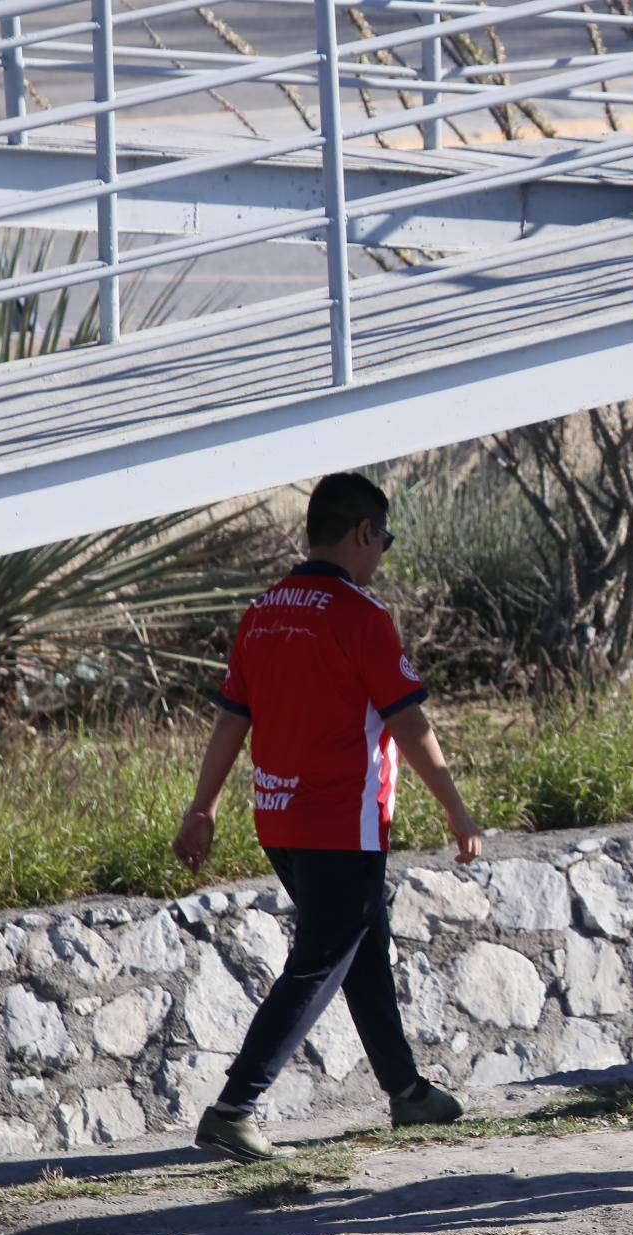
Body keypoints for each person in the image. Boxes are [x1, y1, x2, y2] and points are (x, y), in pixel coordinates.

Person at [172, 473, 483, 1164]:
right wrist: (457, 808)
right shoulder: (359, 616)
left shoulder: (264, 612)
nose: (381, 554)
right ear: (363, 533)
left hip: (278, 819)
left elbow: (231, 719)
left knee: (357, 948)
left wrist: (204, 807)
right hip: (343, 820)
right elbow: (409, 722)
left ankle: (406, 1091)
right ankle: (234, 1107)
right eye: (384, 539)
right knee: (321, 958)